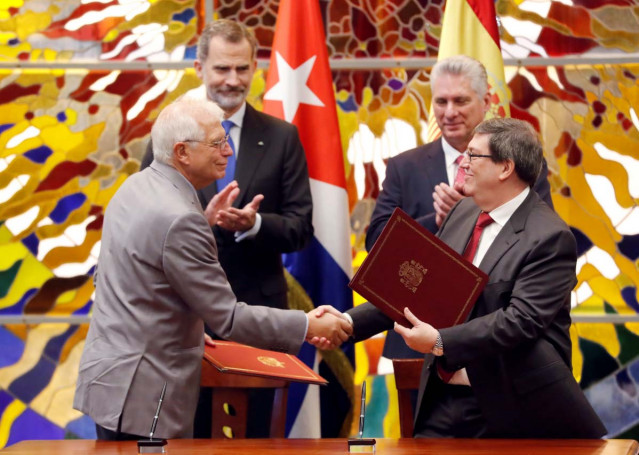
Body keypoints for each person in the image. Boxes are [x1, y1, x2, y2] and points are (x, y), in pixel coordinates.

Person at [74, 98, 351, 441]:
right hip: (145, 400)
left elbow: (126, 276)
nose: (229, 152)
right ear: (182, 152)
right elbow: (229, 319)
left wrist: (202, 225)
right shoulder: (179, 218)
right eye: (217, 143)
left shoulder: (137, 186)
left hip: (112, 384)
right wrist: (308, 324)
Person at [345, 118, 606, 438]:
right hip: (442, 398)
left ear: (505, 168)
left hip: (512, 408)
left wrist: (440, 341)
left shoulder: (550, 237)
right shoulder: (463, 212)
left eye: (473, 155)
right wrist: (348, 322)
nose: (462, 163)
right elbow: (423, 289)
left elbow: (521, 321)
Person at [140, 20, 313, 437]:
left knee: (257, 436)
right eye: (221, 69)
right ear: (199, 67)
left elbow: (300, 227)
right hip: (185, 317)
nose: (232, 80)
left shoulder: (281, 137)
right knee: (189, 433)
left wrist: (254, 224)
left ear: (256, 66)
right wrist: (204, 222)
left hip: (258, 313)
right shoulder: (168, 136)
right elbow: (147, 222)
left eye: (241, 69)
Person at [365, 55, 554, 359]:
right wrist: (441, 221)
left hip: (495, 338)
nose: (449, 112)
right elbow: (375, 243)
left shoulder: (520, 163)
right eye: (440, 102)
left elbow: (539, 233)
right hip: (416, 338)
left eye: (460, 101)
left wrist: (474, 214)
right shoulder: (404, 166)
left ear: (486, 101)